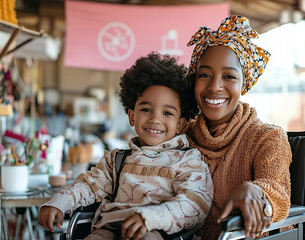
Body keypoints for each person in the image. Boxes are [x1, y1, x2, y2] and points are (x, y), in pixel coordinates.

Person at [39, 53, 213, 240]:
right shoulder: (117, 160)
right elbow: (89, 186)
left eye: (167, 113)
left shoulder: (188, 161)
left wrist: (150, 218)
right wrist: (60, 202)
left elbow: (195, 204)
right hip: (112, 227)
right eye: (146, 109)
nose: (155, 119)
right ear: (132, 116)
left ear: (180, 124)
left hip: (159, 231)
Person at [184, 15, 292, 239]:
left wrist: (257, 190)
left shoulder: (267, 137)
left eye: (229, 76)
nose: (214, 86)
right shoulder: (182, 136)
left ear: (244, 84)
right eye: (204, 75)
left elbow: (278, 192)